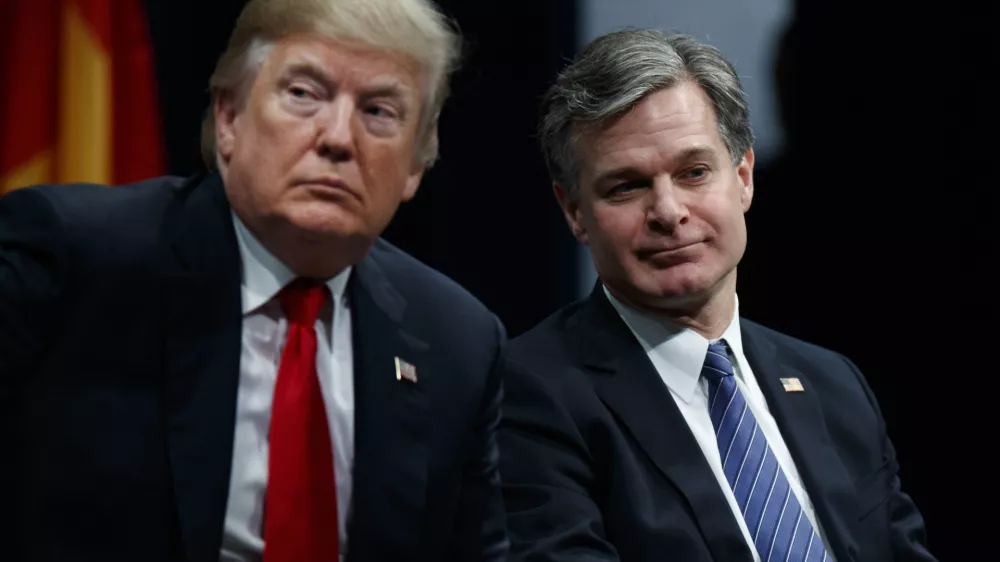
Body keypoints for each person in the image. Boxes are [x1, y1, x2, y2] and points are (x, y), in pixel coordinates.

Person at [0, 0, 508, 560]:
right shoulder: (76, 258)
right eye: (304, 94)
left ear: (415, 166)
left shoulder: (456, 340)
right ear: (228, 119)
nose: (338, 137)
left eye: (379, 111)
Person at [498, 29, 935, 562]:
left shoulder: (834, 386)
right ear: (573, 212)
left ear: (744, 177)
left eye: (694, 172)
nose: (668, 211)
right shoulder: (530, 393)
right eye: (626, 186)